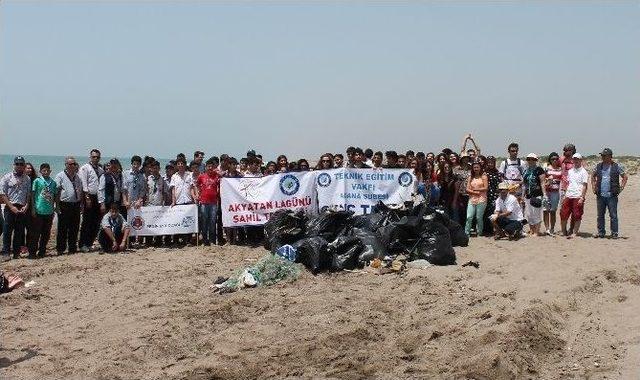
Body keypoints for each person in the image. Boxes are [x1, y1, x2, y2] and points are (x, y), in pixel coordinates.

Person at [591, 148, 628, 239]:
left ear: (610, 156)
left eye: (604, 155)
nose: (602, 157)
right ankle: (601, 232)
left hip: (612, 195)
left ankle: (614, 233)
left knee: (613, 215)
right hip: (600, 195)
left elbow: (625, 177)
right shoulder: (598, 166)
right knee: (600, 215)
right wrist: (593, 186)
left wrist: (621, 188)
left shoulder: (616, 166)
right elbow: (592, 175)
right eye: (602, 155)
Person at [1, 156, 32, 259]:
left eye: (21, 164)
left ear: (24, 166)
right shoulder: (7, 177)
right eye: (17, 164)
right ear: (14, 165)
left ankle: (16, 252)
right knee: (7, 231)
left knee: (19, 231)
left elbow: (28, 194)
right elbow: (2, 194)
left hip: (22, 207)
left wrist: (27, 205)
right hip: (10, 206)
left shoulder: (27, 178)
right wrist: (11, 207)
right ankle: (6, 252)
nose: (19, 166)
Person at [27, 163, 58, 258]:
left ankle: (42, 251)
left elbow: (55, 196)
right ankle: (32, 253)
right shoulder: (37, 181)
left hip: (49, 211)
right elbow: (32, 195)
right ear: (40, 171)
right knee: (35, 233)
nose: (46, 172)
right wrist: (33, 208)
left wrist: (54, 208)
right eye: (44, 170)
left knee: (46, 233)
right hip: (38, 210)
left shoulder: (53, 182)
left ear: (50, 171)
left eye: (48, 170)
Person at [79, 149, 105, 252]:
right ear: (90, 157)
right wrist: (87, 197)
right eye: (94, 157)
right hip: (88, 196)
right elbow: (84, 183)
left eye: (98, 157)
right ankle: (82, 244)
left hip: (98, 198)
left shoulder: (100, 170)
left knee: (96, 222)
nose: (96, 159)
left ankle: (89, 243)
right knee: (86, 222)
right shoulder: (85, 168)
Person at [560, 153, 588, 239]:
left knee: (577, 215)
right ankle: (564, 231)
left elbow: (585, 186)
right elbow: (567, 183)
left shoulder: (584, 172)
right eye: (574, 159)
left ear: (580, 160)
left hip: (577, 196)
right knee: (563, 214)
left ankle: (575, 232)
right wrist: (564, 195)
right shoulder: (570, 171)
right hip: (568, 195)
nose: (576, 161)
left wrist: (582, 197)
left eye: (577, 159)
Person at [170, 157, 197, 246]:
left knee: (187, 221)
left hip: (188, 201)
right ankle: (177, 241)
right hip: (178, 202)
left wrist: (194, 198)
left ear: (185, 165)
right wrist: (173, 201)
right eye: (179, 164)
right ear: (176, 166)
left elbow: (192, 188)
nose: (180, 165)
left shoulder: (189, 175)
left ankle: (188, 241)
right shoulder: (174, 176)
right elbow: (173, 189)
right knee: (177, 222)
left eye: (182, 164)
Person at [143, 160, 168, 246]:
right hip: (149, 204)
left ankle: (158, 241)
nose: (155, 169)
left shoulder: (162, 179)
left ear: (159, 169)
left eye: (157, 168)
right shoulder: (148, 178)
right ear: (151, 169)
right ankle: (148, 241)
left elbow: (164, 192)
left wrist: (163, 203)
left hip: (159, 205)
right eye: (153, 168)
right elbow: (145, 191)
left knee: (158, 224)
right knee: (149, 223)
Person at [197, 158, 221, 246]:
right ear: (205, 167)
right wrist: (198, 195)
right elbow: (196, 185)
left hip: (214, 203)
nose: (210, 168)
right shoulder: (201, 176)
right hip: (203, 202)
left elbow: (222, 182)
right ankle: (204, 240)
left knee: (212, 221)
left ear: (213, 167)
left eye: (211, 166)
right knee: (204, 221)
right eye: (208, 166)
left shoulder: (217, 176)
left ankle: (212, 240)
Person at [522, 153, 546, 236]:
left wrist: (544, 194)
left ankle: (536, 231)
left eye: (533, 159)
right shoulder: (526, 170)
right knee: (529, 214)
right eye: (529, 159)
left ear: (536, 160)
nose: (531, 161)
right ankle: (532, 230)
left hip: (537, 194)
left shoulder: (539, 170)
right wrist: (522, 196)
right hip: (528, 195)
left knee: (536, 214)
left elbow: (543, 183)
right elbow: (524, 185)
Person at [465, 161, 488, 237]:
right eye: (474, 167)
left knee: (479, 217)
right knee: (469, 216)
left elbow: (486, 188)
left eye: (477, 167)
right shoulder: (470, 177)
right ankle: (466, 232)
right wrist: (475, 192)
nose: (476, 169)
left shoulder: (483, 176)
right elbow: (467, 189)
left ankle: (479, 232)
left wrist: (475, 190)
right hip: (472, 199)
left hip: (481, 199)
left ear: (480, 168)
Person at [542, 152, 562, 236]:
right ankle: (547, 229)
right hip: (547, 192)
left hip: (555, 192)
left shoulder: (560, 169)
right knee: (546, 211)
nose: (554, 160)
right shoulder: (546, 168)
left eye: (556, 159)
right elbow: (543, 181)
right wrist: (548, 180)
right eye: (552, 159)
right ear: (549, 160)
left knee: (553, 211)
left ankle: (552, 228)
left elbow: (563, 181)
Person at [483, 156, 502, 235]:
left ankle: (496, 229)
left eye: (492, 163)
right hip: (486, 194)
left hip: (495, 194)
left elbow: (500, 184)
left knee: (494, 211)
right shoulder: (484, 173)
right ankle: (487, 230)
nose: (490, 164)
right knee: (486, 212)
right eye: (489, 163)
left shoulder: (497, 173)